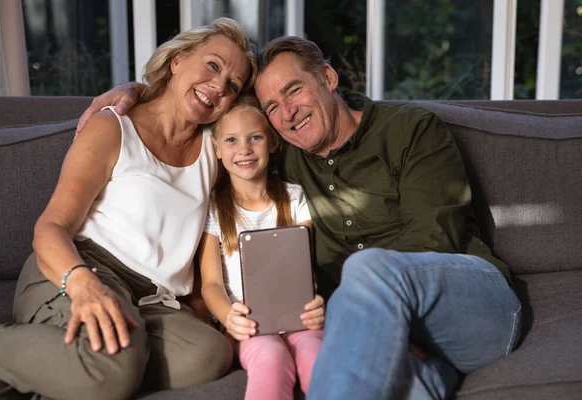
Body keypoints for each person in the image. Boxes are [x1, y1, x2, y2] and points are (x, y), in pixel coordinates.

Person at [74, 36, 522, 400]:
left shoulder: (411, 130)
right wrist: (137, 93)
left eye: (294, 90)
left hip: (472, 306)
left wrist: (354, 314)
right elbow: (224, 117)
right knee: (412, 388)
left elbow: (434, 237)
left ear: (327, 77)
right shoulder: (283, 158)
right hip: (389, 338)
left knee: (368, 270)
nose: (286, 112)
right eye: (272, 107)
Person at [0, 18, 257, 400]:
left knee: (209, 354)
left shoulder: (217, 148)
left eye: (233, 85)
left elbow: (265, 126)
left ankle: (58, 375)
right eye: (212, 65)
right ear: (177, 60)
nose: (218, 86)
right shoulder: (114, 127)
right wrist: (82, 284)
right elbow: (50, 226)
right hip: (79, 268)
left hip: (154, 302)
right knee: (114, 372)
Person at [197, 93, 325, 400]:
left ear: (273, 143)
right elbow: (210, 284)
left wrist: (315, 301)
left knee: (315, 352)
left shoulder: (294, 198)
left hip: (298, 318)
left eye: (255, 137)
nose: (244, 149)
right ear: (216, 148)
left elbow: (306, 270)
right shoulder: (213, 208)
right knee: (270, 355)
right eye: (231, 140)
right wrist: (229, 317)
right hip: (247, 324)